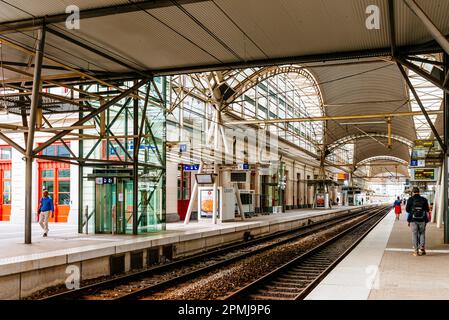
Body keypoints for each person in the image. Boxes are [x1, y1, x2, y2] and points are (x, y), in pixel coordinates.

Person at [406, 187, 429, 256]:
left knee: (414, 234)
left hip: (413, 220)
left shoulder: (410, 199)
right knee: (422, 233)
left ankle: (416, 251)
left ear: (413, 192)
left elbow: (407, 210)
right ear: (419, 192)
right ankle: (422, 248)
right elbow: (427, 210)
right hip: (422, 220)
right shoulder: (424, 199)